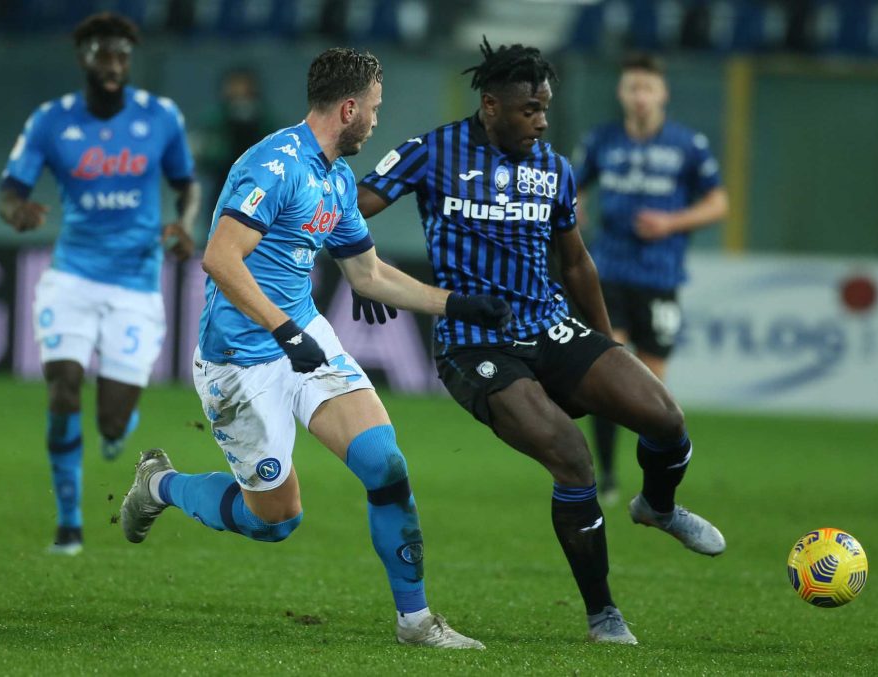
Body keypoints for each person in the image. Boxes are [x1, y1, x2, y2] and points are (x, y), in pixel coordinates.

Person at [119, 47, 508, 650]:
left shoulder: (337, 178)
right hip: (239, 360)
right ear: (349, 109)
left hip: (302, 337)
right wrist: (283, 331)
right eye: (374, 108)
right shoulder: (275, 166)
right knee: (275, 521)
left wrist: (455, 304)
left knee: (385, 463)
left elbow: (367, 274)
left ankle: (415, 621)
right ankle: (160, 484)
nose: (376, 121)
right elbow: (220, 258)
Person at [355, 39, 726, 646]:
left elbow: (575, 262)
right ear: (491, 105)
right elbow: (352, 205)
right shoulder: (432, 151)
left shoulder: (553, 166)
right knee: (573, 458)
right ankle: (604, 615)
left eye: (545, 108)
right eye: (530, 109)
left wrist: (603, 344)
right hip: (475, 344)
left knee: (665, 418)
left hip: (550, 326)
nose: (542, 121)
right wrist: (359, 266)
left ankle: (657, 506)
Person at [0, 12, 200, 556]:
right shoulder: (50, 121)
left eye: (121, 55)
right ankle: (69, 525)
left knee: (111, 422)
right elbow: (11, 190)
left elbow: (186, 185)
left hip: (136, 282)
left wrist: (185, 224)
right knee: (63, 385)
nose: (113, 64)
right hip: (72, 276)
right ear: (83, 57)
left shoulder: (160, 116)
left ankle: (117, 428)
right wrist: (16, 212)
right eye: (103, 54)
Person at [574, 53, 729, 501]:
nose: (639, 96)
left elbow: (719, 203)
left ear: (663, 94)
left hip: (660, 276)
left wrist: (672, 222)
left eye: (647, 88)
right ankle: (606, 476)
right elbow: (571, 185)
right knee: (609, 369)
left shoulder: (687, 145)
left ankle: (652, 486)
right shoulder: (602, 140)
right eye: (632, 88)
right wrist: (575, 207)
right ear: (621, 94)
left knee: (650, 385)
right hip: (608, 272)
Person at [195, 67, 278, 210]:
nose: (239, 94)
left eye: (244, 89)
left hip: (258, 189)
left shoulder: (265, 120)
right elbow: (206, 157)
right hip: (223, 187)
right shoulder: (216, 120)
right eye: (234, 88)